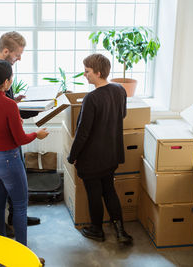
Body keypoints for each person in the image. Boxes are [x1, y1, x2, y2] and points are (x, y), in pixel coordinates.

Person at [0, 59, 49, 246]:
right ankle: (22, 255)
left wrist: (8, 110)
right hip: (7, 160)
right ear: (6, 82)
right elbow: (20, 139)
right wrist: (37, 134)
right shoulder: (8, 106)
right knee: (20, 206)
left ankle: (1, 247)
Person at [0, 31, 41, 231]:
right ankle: (20, 248)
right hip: (6, 150)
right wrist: (35, 133)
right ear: (6, 51)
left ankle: (2, 240)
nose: (19, 58)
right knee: (19, 201)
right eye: (17, 54)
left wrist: (13, 104)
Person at [67, 54, 133, 245]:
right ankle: (120, 231)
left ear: (98, 72)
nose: (85, 75)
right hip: (111, 154)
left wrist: (73, 156)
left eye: (87, 71)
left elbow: (83, 133)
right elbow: (122, 114)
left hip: (92, 158)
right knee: (109, 190)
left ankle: (97, 230)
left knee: (94, 192)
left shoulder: (91, 99)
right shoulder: (120, 90)